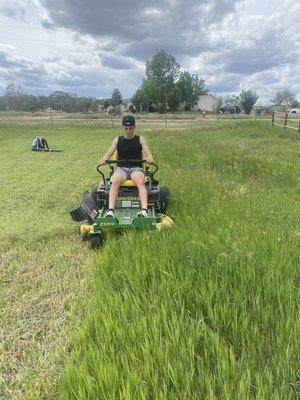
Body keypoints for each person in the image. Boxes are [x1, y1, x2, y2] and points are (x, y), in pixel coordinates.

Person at [98, 115, 154, 218]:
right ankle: (110, 211)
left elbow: (148, 154)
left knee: (140, 181)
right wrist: (104, 159)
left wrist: (150, 158)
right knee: (114, 180)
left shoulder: (140, 139)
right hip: (121, 169)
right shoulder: (117, 140)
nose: (128, 131)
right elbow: (108, 154)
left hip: (136, 168)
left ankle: (144, 210)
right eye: (126, 128)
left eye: (130, 128)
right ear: (123, 127)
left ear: (134, 128)